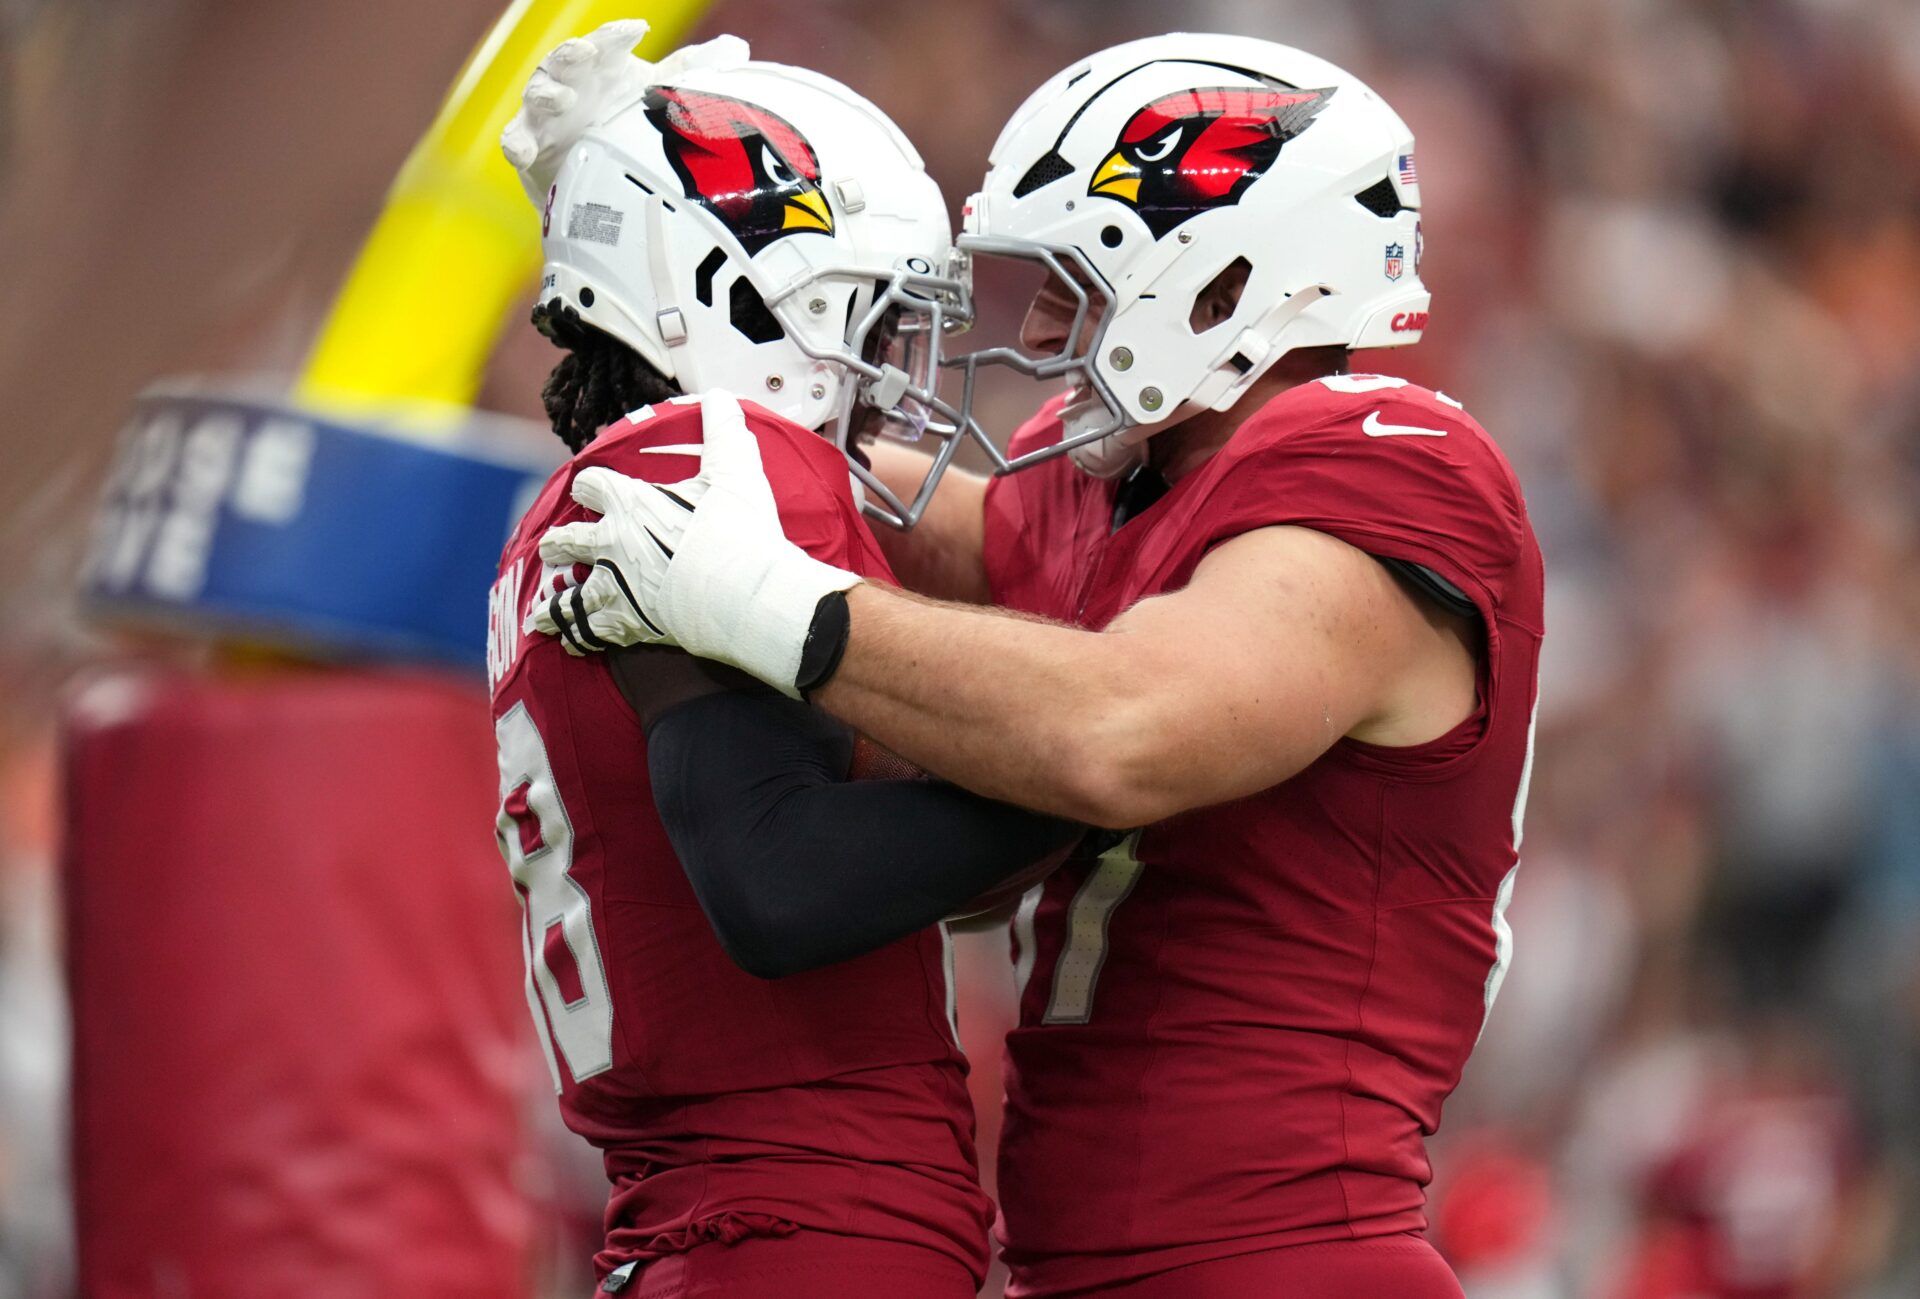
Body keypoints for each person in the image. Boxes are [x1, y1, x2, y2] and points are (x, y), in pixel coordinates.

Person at [528, 32, 1542, 1299]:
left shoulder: (1385, 462)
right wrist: (645, 266)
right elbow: (838, 485)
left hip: (1285, 1260)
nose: (1042, 333)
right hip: (1078, 1267)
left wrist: (771, 601)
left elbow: (1121, 730)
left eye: (1075, 289)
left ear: (1224, 287)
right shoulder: (1108, 481)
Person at [485, 24, 1074, 1298]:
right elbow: (783, 883)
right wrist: (1099, 769)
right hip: (798, 1227)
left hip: (715, 1221)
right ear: (735, 293)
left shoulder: (593, 496)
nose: (890, 378)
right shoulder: (710, 456)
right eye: (870, 318)